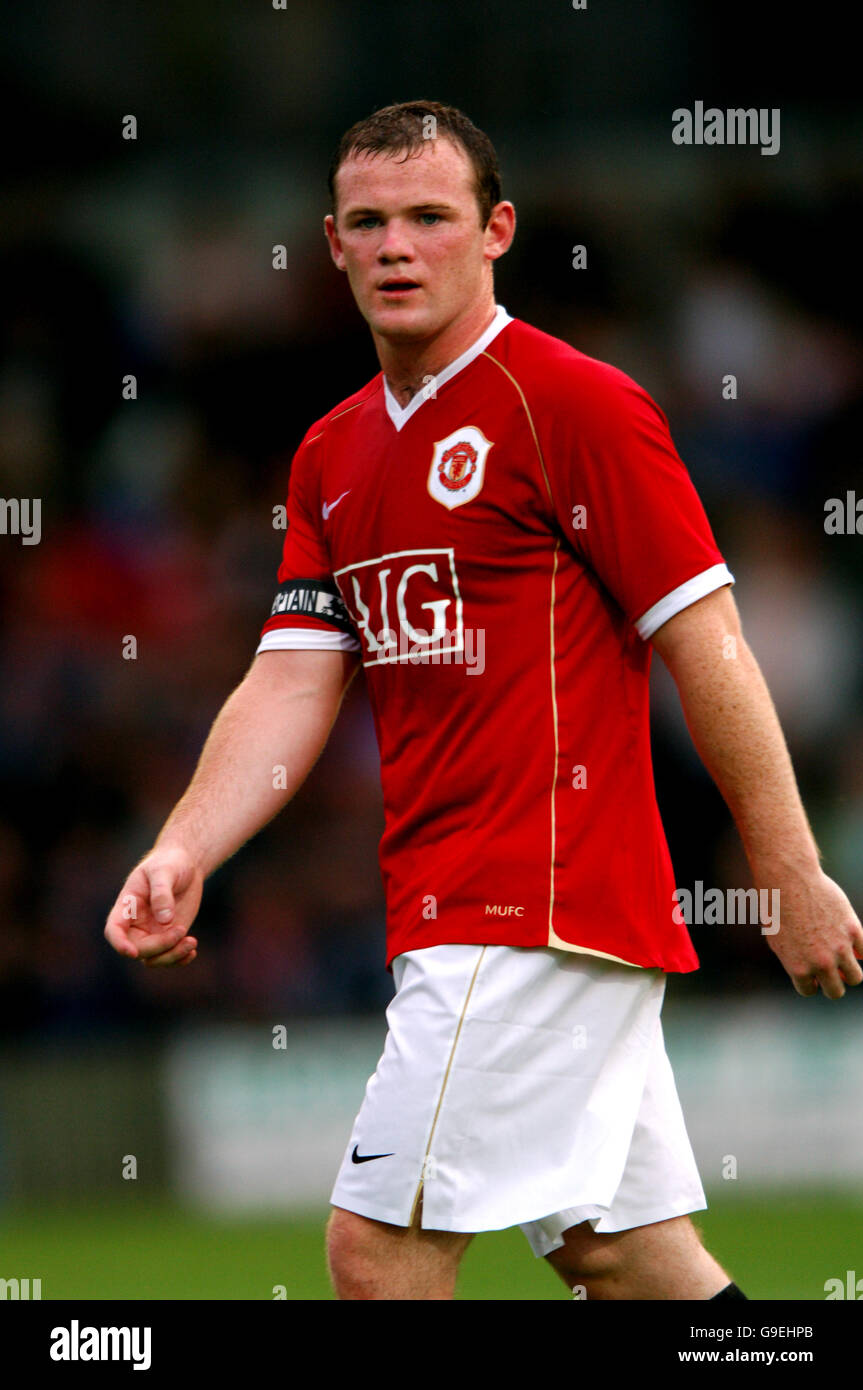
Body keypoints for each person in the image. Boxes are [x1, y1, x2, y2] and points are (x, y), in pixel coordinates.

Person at [104, 100, 863, 1301]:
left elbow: (702, 635)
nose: (396, 245)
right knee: (625, 1261)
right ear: (332, 243)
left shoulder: (573, 404)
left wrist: (782, 860)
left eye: (428, 218)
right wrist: (185, 844)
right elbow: (297, 674)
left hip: (531, 905)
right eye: (368, 222)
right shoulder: (330, 455)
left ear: (496, 230)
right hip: (456, 903)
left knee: (376, 1254)